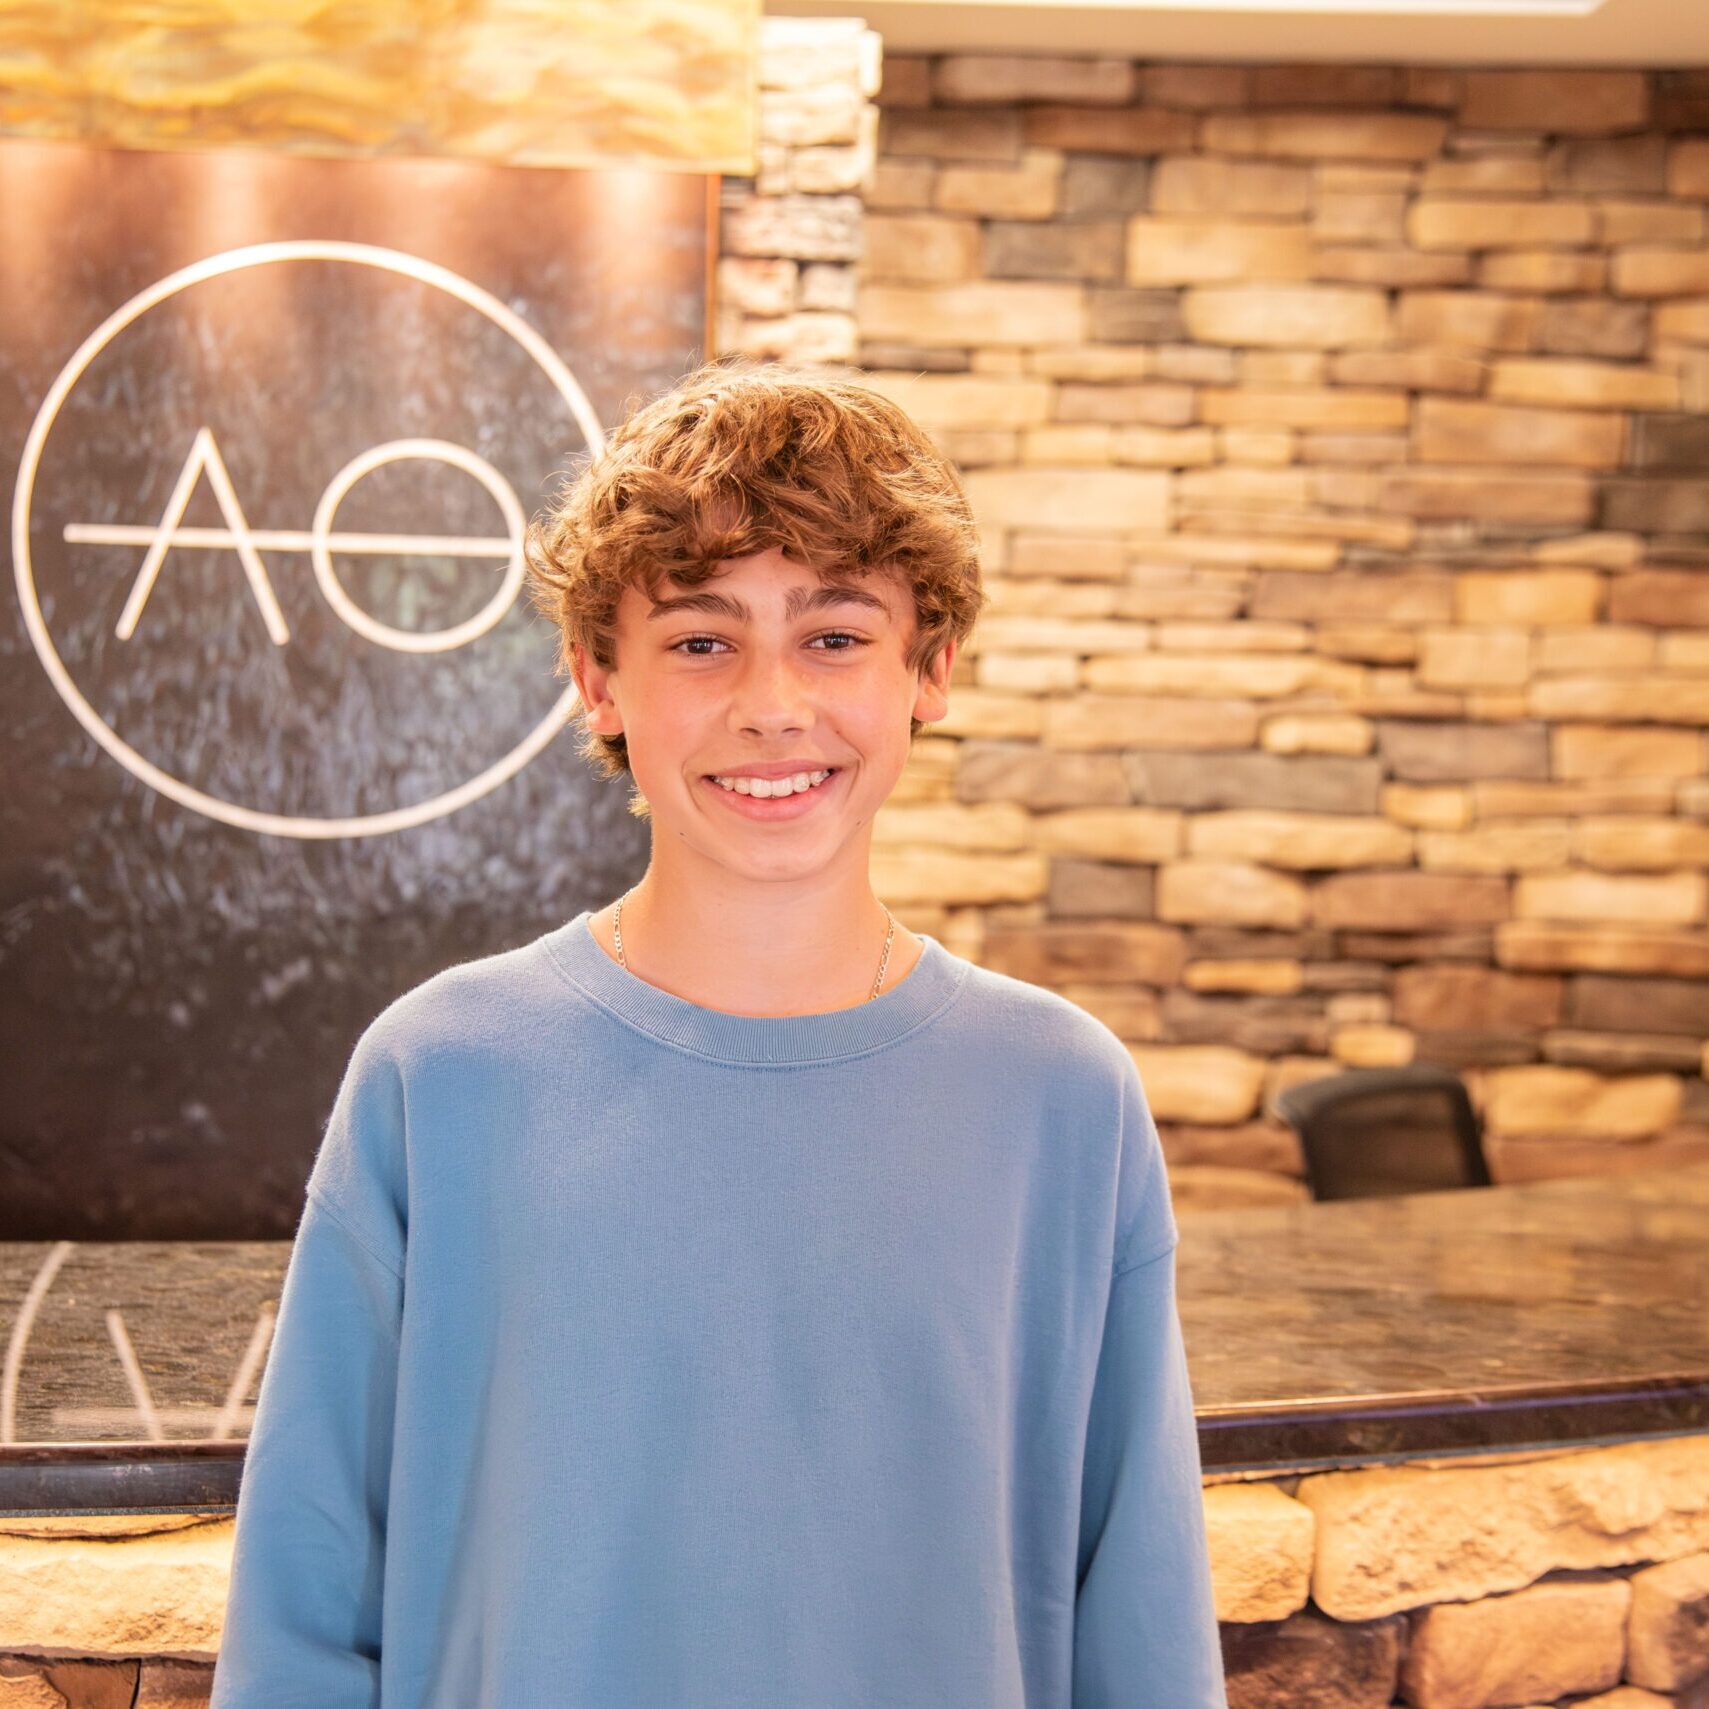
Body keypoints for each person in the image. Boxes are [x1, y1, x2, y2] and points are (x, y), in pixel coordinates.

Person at [208, 356, 1228, 1707]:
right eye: (699, 637)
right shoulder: (438, 1076)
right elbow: (302, 1606)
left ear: (929, 668)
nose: (770, 702)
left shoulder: (1061, 1099)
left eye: (835, 633)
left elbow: (1142, 1626)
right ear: (596, 678)